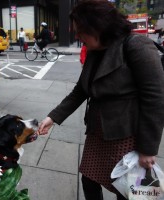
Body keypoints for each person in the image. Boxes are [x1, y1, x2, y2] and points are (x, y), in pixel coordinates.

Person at [38, 1, 164, 200]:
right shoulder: (94, 51)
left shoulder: (136, 45)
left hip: (126, 134)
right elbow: (80, 90)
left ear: (98, 26)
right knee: (88, 180)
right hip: (97, 133)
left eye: (80, 31)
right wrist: (52, 117)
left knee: (126, 190)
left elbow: (155, 99)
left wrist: (148, 149)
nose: (77, 36)